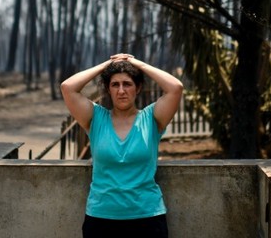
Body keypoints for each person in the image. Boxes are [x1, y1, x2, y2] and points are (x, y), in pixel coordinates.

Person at [60, 53, 184, 238]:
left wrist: (136, 63)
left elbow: (175, 87)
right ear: (108, 90)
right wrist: (108, 64)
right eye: (114, 85)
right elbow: (68, 87)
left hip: (147, 218)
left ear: (138, 88)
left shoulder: (152, 118)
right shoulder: (96, 118)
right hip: (101, 219)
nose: (121, 90)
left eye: (127, 84)